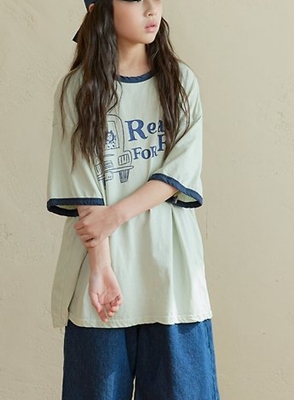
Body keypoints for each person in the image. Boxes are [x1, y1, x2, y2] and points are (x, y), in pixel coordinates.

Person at [47, 0, 221, 398]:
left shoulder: (180, 82)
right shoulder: (77, 89)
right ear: (99, 8)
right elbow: (83, 184)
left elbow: (179, 172)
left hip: (171, 272)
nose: (150, 9)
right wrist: (101, 268)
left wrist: (115, 216)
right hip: (100, 275)